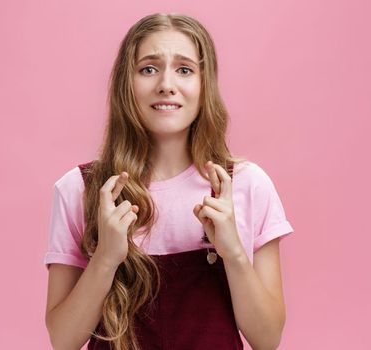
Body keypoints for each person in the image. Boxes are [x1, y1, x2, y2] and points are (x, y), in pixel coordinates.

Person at [43, 13, 293, 350]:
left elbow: (267, 339)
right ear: (124, 84)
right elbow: (63, 339)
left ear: (205, 85)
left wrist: (232, 252)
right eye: (148, 68)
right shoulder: (81, 189)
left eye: (185, 69)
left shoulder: (247, 185)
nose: (166, 84)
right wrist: (105, 258)